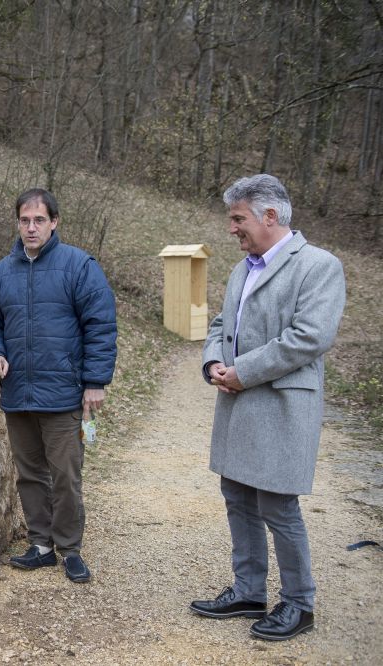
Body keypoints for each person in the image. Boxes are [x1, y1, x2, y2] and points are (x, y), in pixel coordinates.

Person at [190, 174, 346, 641]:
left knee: (278, 506)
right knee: (237, 497)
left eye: (238, 219)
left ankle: (299, 604)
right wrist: (215, 360)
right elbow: (222, 322)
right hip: (238, 402)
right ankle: (248, 590)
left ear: (269, 216)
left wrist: (243, 371)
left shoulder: (319, 266)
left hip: (280, 405)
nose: (231, 228)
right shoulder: (244, 266)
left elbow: (309, 338)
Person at [0, 188, 117, 583]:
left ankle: (70, 547)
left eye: (39, 220)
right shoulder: (2, 272)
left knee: (66, 475)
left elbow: (101, 326)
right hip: (18, 392)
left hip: (64, 394)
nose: (31, 227)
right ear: (17, 223)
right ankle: (41, 545)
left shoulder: (79, 266)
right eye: (25, 220)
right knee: (30, 473)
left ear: (54, 222)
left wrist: (95, 382)